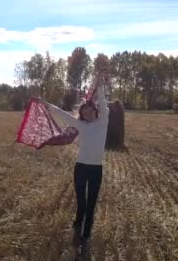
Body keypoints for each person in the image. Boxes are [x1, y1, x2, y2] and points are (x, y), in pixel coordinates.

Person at [37, 76, 110, 253]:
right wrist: (46, 103)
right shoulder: (80, 125)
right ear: (82, 114)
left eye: (89, 110)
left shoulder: (103, 123)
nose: (86, 113)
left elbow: (104, 104)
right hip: (81, 168)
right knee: (82, 202)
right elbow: (62, 115)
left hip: (96, 169)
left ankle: (85, 235)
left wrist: (100, 88)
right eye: (83, 112)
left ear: (95, 110)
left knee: (91, 204)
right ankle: (78, 222)